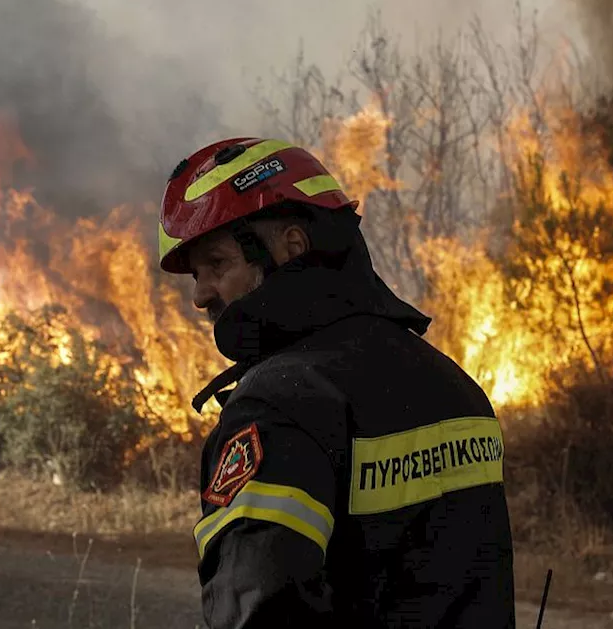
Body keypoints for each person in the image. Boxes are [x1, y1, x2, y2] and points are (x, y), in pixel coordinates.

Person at [157, 137, 516, 628]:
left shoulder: (277, 404)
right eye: (197, 274)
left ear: (292, 247)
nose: (200, 295)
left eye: (216, 265)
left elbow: (260, 611)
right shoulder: (456, 386)